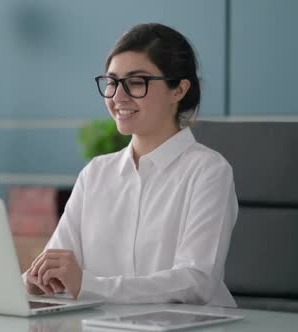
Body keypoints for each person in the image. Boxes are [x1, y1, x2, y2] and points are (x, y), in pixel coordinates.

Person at [24, 23, 238, 307]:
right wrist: (34, 279)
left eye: (136, 82)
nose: (117, 96)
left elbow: (195, 282)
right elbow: (55, 263)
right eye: (112, 82)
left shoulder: (208, 171)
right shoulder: (96, 173)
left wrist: (89, 285)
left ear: (179, 90)